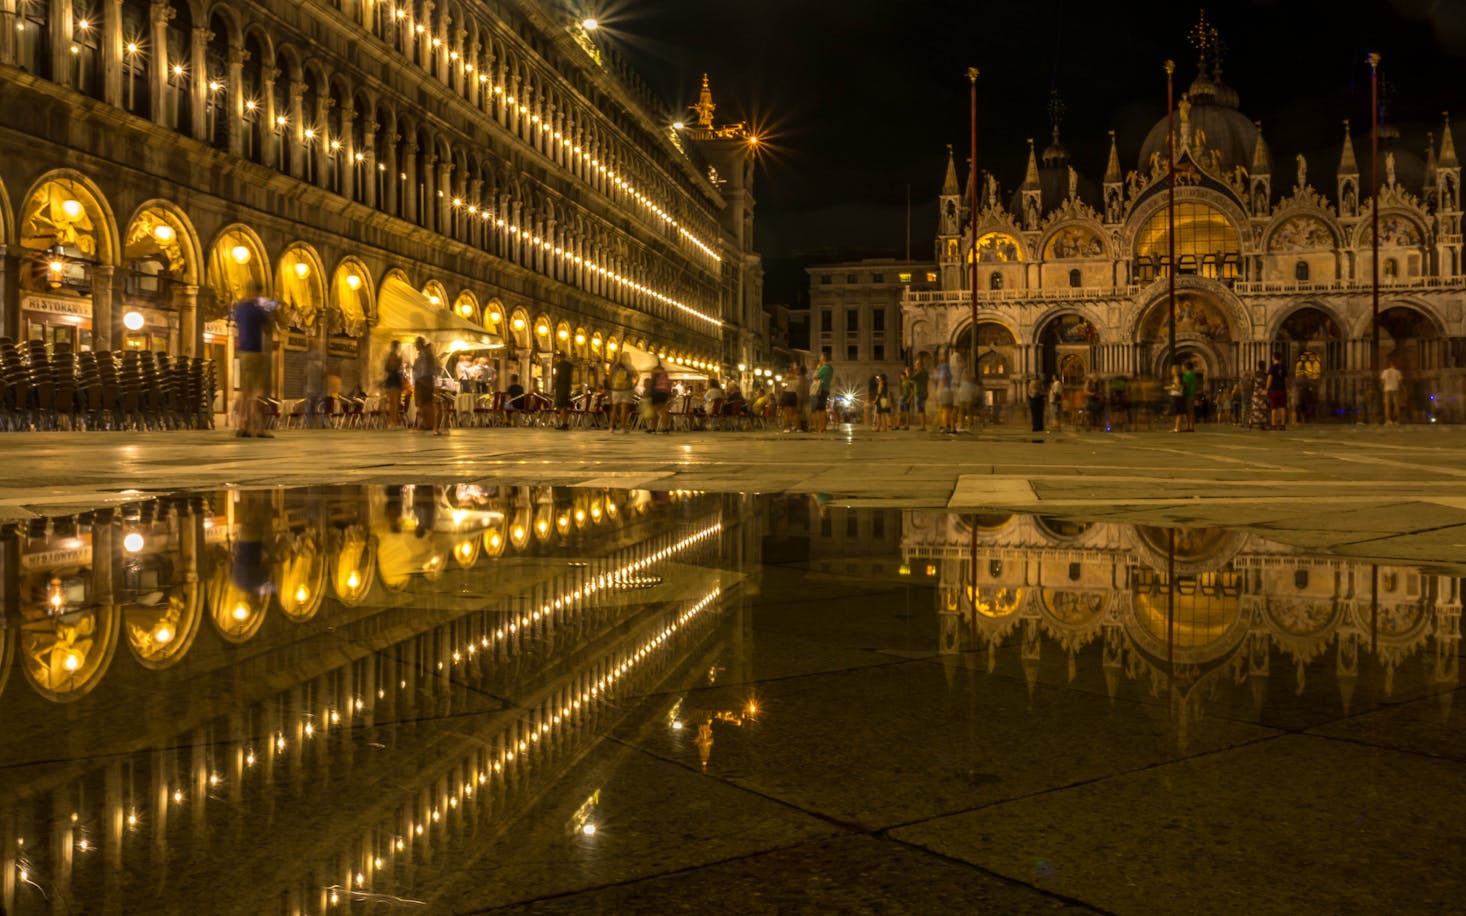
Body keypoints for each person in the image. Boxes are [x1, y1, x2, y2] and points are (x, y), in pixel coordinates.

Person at [231, 281, 277, 438]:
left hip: (242, 352)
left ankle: (243, 425)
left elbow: (238, 323)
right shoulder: (258, 308)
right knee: (257, 392)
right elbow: (268, 330)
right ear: (258, 292)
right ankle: (258, 428)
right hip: (255, 353)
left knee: (244, 391)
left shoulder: (239, 307)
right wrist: (268, 310)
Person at [411, 337, 441, 435]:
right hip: (422, 381)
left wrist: (421, 378)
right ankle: (425, 423)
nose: (415, 345)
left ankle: (429, 423)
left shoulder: (425, 354)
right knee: (422, 404)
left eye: (416, 343)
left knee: (425, 403)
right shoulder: (424, 354)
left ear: (420, 343)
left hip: (424, 381)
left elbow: (426, 369)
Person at [609, 354, 637, 432]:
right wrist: (634, 385)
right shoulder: (629, 367)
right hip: (626, 389)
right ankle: (622, 428)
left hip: (616, 389)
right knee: (624, 409)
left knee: (614, 408)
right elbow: (637, 376)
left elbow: (610, 377)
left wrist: (612, 386)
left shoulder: (615, 366)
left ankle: (611, 427)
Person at [383, 339, 405, 429]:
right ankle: (394, 423)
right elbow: (394, 367)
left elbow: (386, 368)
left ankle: (391, 422)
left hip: (389, 379)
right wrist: (399, 361)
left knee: (392, 403)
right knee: (395, 403)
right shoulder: (395, 357)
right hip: (395, 379)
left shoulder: (388, 356)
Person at [647, 360, 673, 433]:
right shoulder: (664, 373)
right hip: (664, 393)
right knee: (664, 411)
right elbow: (669, 383)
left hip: (656, 392)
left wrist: (649, 392)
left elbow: (652, 382)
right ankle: (665, 428)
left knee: (654, 411)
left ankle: (653, 428)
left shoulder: (654, 371)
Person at [811, 351, 834, 432]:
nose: (819, 358)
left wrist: (817, 368)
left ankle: (822, 427)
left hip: (821, 389)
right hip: (826, 389)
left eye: (820, 356)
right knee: (822, 408)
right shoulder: (830, 368)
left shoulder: (824, 368)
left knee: (820, 409)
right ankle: (823, 427)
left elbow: (815, 377)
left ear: (823, 358)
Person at [553, 352, 575, 430]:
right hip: (567, 387)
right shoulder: (569, 365)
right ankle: (565, 423)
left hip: (560, 387)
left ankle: (562, 423)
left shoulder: (559, 365)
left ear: (559, 357)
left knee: (561, 406)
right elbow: (571, 376)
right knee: (565, 406)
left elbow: (557, 375)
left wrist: (554, 383)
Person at [1267, 352, 1288, 429]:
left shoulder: (1272, 367)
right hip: (1282, 389)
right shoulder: (1283, 367)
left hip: (1274, 389)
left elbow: (1270, 378)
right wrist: (1286, 388)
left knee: (1273, 408)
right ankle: (1283, 425)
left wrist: (1267, 388)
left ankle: (1273, 424)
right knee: (1282, 407)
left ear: (1273, 357)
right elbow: (1286, 379)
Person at [1247, 360, 1270, 429]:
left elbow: (1251, 385)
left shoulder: (1254, 375)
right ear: (1264, 366)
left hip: (1256, 393)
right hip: (1263, 393)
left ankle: (1252, 423)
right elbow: (1268, 384)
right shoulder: (1266, 375)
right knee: (1263, 409)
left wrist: (1251, 394)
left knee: (1255, 409)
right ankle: (1263, 424)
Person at [909, 358, 930, 431]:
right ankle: (923, 425)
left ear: (919, 365)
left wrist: (908, 372)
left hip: (920, 393)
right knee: (922, 409)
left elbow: (910, 378)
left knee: (921, 410)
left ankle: (923, 426)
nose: (915, 367)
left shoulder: (920, 372)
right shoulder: (925, 372)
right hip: (924, 392)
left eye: (915, 365)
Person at [1381, 359, 1404, 425]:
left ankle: (1388, 421)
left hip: (1387, 389)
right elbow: (1400, 382)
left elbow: (1382, 381)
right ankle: (1396, 420)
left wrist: (1384, 386)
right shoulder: (1398, 372)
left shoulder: (1385, 372)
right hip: (1395, 389)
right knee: (1396, 406)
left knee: (1387, 405)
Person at [779, 363, 801, 432]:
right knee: (794, 412)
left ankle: (787, 428)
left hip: (787, 394)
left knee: (786, 413)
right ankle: (798, 428)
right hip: (793, 395)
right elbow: (798, 387)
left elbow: (783, 387)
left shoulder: (785, 378)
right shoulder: (797, 378)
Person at [1168, 365, 1186, 432]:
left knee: (1178, 413)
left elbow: (1177, 387)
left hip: (1176, 397)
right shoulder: (1179, 377)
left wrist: (1168, 388)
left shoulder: (1177, 377)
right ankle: (1177, 427)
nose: (1171, 370)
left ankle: (1177, 428)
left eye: (1172, 369)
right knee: (1178, 413)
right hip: (1178, 396)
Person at [1180, 361, 1198, 432]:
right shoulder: (1193, 374)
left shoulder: (1186, 375)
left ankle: (1188, 426)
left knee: (1188, 412)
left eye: (1183, 366)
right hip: (1192, 394)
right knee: (1191, 412)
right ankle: (1191, 426)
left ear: (1185, 367)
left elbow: (1185, 385)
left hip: (1187, 395)